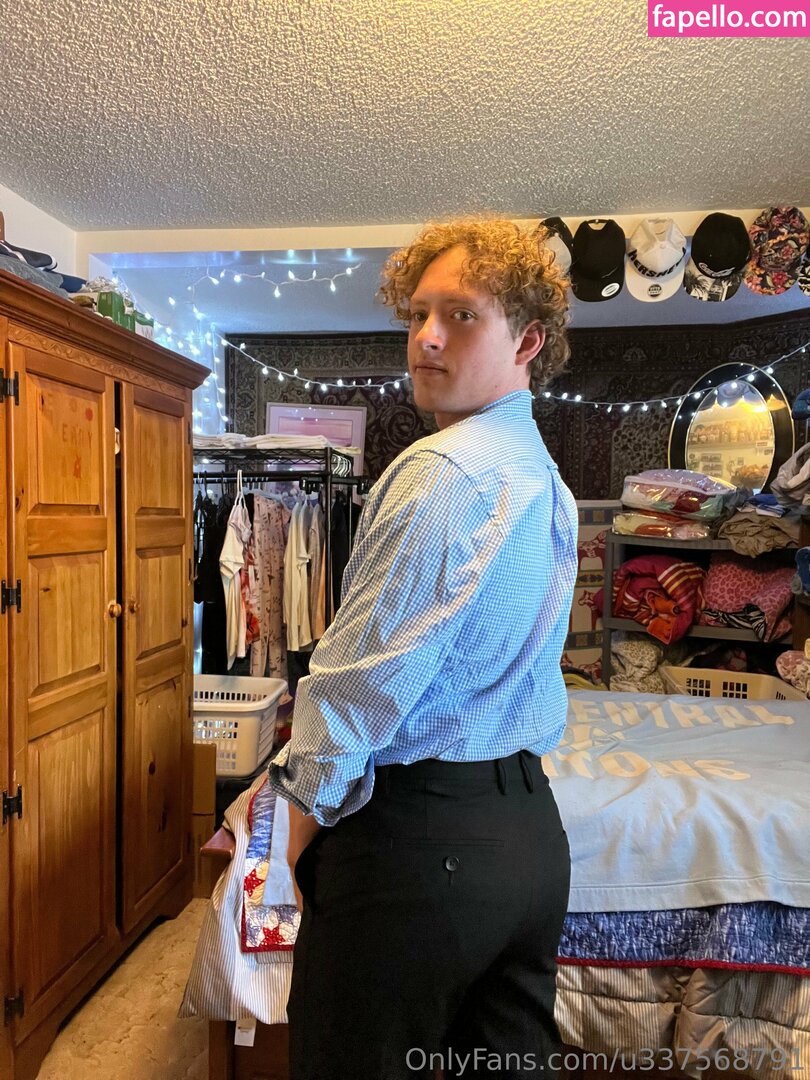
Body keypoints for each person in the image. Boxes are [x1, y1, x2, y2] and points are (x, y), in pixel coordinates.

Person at [266, 217, 579, 1080]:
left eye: (461, 315)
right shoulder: (545, 478)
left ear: (528, 341)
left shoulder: (444, 470)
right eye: (417, 314)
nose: (426, 338)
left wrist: (292, 827)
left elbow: (360, 684)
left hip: (418, 846)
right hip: (529, 839)